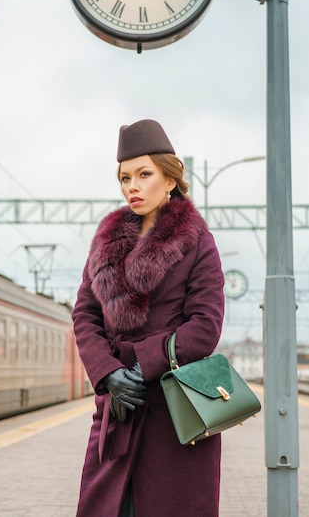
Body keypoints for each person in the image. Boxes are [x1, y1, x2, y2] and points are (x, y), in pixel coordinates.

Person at [72, 119, 225, 517]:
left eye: (144, 174)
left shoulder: (198, 242)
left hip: (178, 413)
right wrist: (108, 374)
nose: (132, 187)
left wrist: (142, 368)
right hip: (118, 411)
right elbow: (85, 315)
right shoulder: (105, 243)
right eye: (125, 178)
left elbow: (205, 325)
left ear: (169, 178)